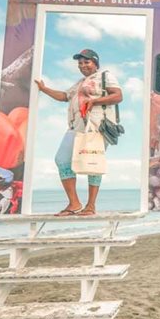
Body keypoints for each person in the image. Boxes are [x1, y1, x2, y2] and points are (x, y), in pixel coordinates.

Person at [35, 49, 123, 216]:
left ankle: (91, 206)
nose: (83, 65)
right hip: (76, 127)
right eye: (80, 63)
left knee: (93, 162)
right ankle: (74, 203)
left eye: (86, 62)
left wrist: (94, 101)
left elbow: (118, 96)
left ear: (95, 63)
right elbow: (64, 96)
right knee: (62, 159)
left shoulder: (105, 76)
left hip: (97, 126)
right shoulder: (80, 83)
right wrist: (43, 89)